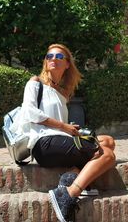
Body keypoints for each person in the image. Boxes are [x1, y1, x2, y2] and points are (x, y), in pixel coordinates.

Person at [9, 43, 116, 222]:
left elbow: (59, 123)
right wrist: (63, 127)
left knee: (108, 141)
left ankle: (71, 175)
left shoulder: (63, 93)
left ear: (67, 64)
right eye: (49, 56)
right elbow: (30, 113)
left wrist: (70, 128)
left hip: (58, 139)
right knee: (107, 155)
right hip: (43, 144)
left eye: (59, 57)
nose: (53, 59)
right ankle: (68, 194)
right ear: (45, 61)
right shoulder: (35, 83)